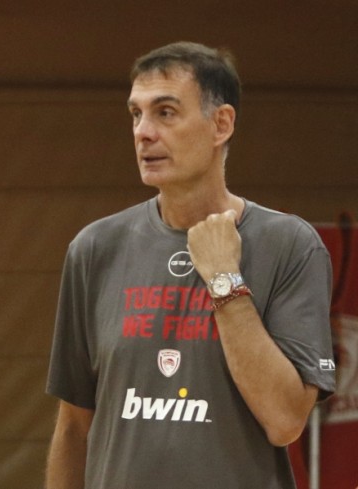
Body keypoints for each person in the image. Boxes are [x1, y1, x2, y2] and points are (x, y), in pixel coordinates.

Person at [44, 42, 336, 488]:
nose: (143, 132)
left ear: (221, 124)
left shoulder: (290, 246)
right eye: (136, 114)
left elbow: (284, 421)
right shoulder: (95, 248)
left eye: (165, 112)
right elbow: (73, 427)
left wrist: (225, 280)